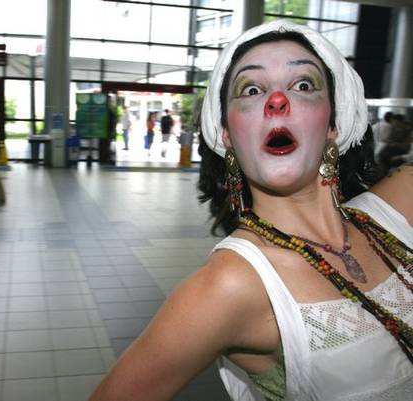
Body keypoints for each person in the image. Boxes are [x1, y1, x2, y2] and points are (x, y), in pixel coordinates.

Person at [89, 20, 412, 401]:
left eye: (303, 85)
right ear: (227, 133)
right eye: (252, 89)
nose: (277, 101)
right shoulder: (230, 285)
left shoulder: (400, 203)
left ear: (333, 124)